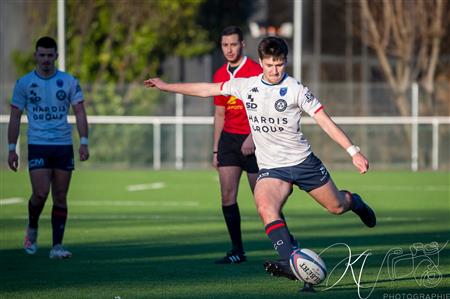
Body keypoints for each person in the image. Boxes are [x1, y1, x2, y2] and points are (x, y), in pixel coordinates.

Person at [144, 36, 376, 279]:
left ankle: (356, 202)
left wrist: (353, 151)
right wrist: (166, 86)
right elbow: (205, 89)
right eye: (269, 64)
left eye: (279, 64)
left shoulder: (297, 90)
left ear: (285, 62)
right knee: (265, 207)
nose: (275, 70)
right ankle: (290, 261)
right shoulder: (246, 86)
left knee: (337, 206)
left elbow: (325, 122)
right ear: (261, 62)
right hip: (271, 168)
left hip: (302, 163)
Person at [7, 36, 89, 259]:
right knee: (41, 193)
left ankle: (57, 247)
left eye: (49, 55)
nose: (45, 59)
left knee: (60, 196)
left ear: (56, 56)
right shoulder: (24, 83)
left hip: (63, 145)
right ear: (35, 56)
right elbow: (15, 116)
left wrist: (83, 142)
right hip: (38, 144)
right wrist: (11, 147)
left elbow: (80, 112)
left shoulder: (69, 81)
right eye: (41, 55)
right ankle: (32, 227)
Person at [211, 26, 262, 264]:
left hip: (255, 141)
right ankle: (237, 251)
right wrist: (215, 149)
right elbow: (219, 114)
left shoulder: (256, 71)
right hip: (229, 142)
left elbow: (264, 109)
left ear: (242, 44)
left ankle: (289, 246)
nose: (229, 49)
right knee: (227, 196)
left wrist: (252, 137)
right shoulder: (220, 73)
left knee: (264, 200)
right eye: (225, 45)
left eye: (233, 44)